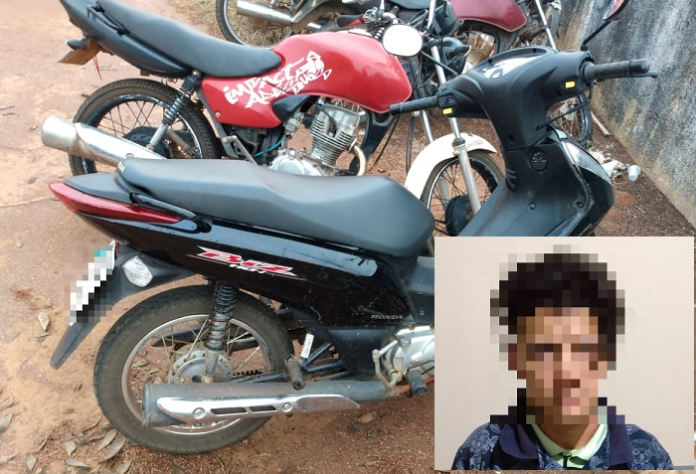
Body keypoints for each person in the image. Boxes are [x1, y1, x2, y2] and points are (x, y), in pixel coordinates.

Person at [451, 252, 673, 470]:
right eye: (545, 349)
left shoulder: (649, 456)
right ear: (516, 359)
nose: (567, 370)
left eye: (582, 347)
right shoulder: (481, 454)